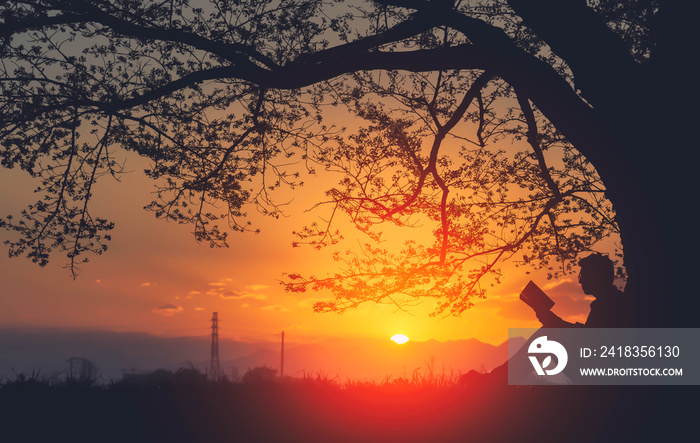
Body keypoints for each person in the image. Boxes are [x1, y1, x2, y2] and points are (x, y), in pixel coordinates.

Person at [536, 253, 630, 328]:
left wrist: (552, 321)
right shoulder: (613, 300)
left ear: (596, 277)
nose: (580, 281)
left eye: (583, 276)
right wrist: (552, 321)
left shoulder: (606, 305)